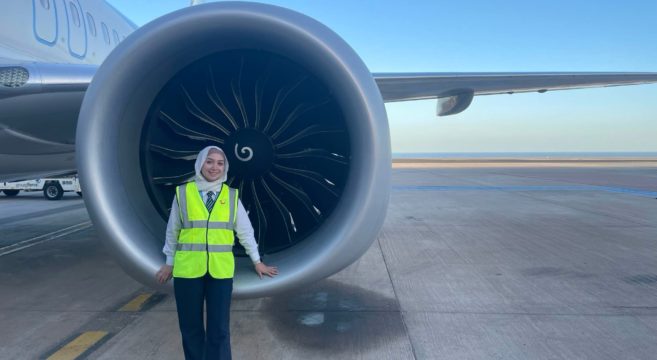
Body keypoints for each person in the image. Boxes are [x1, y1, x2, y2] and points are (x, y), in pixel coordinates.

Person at [155, 145, 278, 360]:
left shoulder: (231, 196)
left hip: (219, 272)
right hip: (187, 270)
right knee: (190, 328)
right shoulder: (183, 193)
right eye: (209, 161)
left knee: (219, 329)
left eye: (220, 163)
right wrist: (169, 261)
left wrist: (257, 261)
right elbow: (173, 230)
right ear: (200, 163)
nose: (214, 167)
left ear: (225, 167)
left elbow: (245, 231)